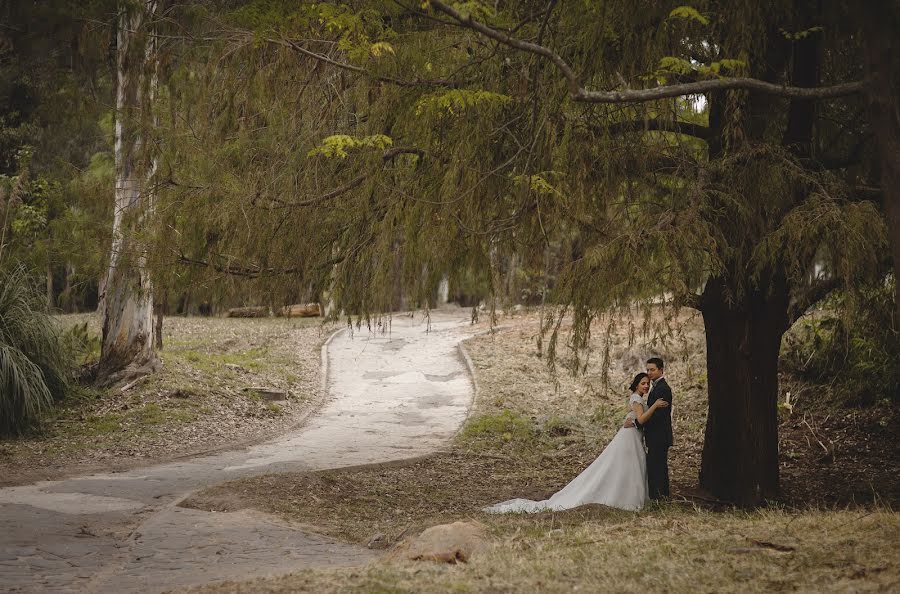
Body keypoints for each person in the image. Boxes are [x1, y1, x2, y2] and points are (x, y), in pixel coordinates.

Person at [483, 372, 669, 513]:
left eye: (647, 383)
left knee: (630, 467)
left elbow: (638, 420)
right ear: (636, 385)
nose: (646, 386)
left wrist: (635, 420)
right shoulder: (636, 399)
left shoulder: (639, 399)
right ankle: (626, 498)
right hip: (629, 438)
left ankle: (632, 497)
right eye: (643, 383)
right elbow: (641, 419)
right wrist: (652, 407)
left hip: (634, 436)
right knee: (624, 467)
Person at [629, 357, 673, 500]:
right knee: (655, 467)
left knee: (658, 467)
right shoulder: (654, 388)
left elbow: (659, 416)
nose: (649, 372)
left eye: (652, 370)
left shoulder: (663, 389)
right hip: (654, 436)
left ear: (661, 370)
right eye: (647, 370)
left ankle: (660, 498)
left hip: (659, 436)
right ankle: (658, 497)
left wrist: (637, 422)